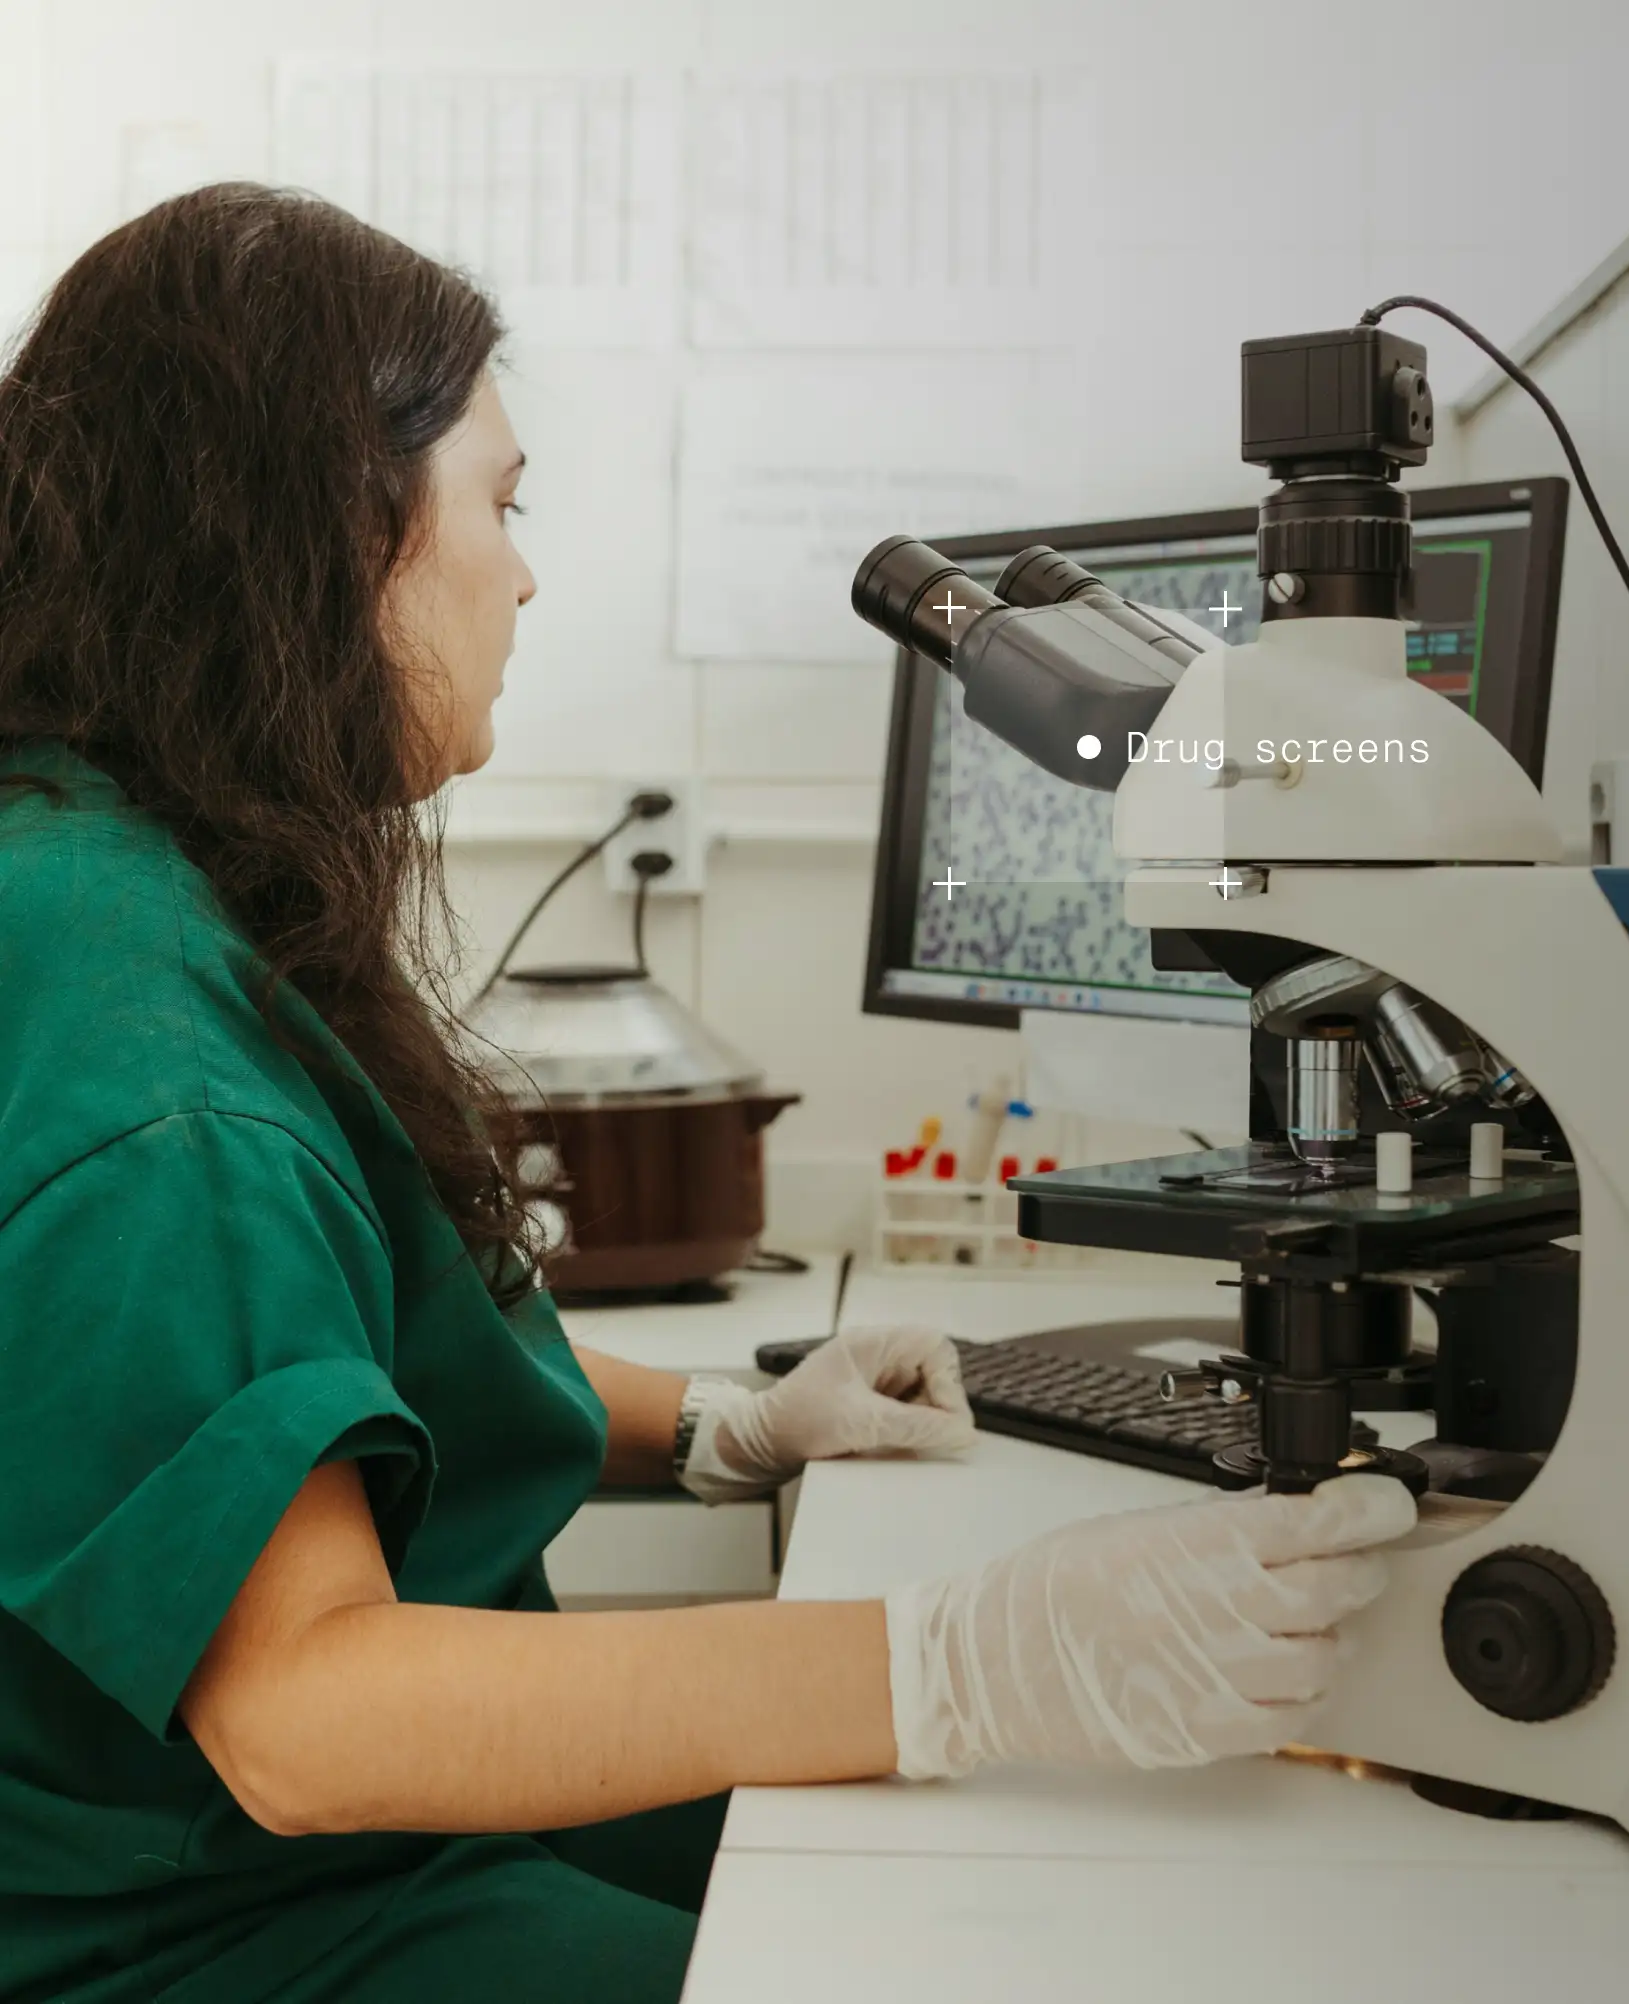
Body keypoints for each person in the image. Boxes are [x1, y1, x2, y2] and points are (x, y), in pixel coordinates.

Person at [0, 184, 1417, 2004]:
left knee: (950, 1873)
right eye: (498, 509)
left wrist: (718, 1422)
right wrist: (958, 1661)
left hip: (248, 1836)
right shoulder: (148, 1059)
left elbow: (285, 1377)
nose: (523, 573)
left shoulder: (123, 863)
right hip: (189, 1920)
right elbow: (312, 1717)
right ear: (320, 534)